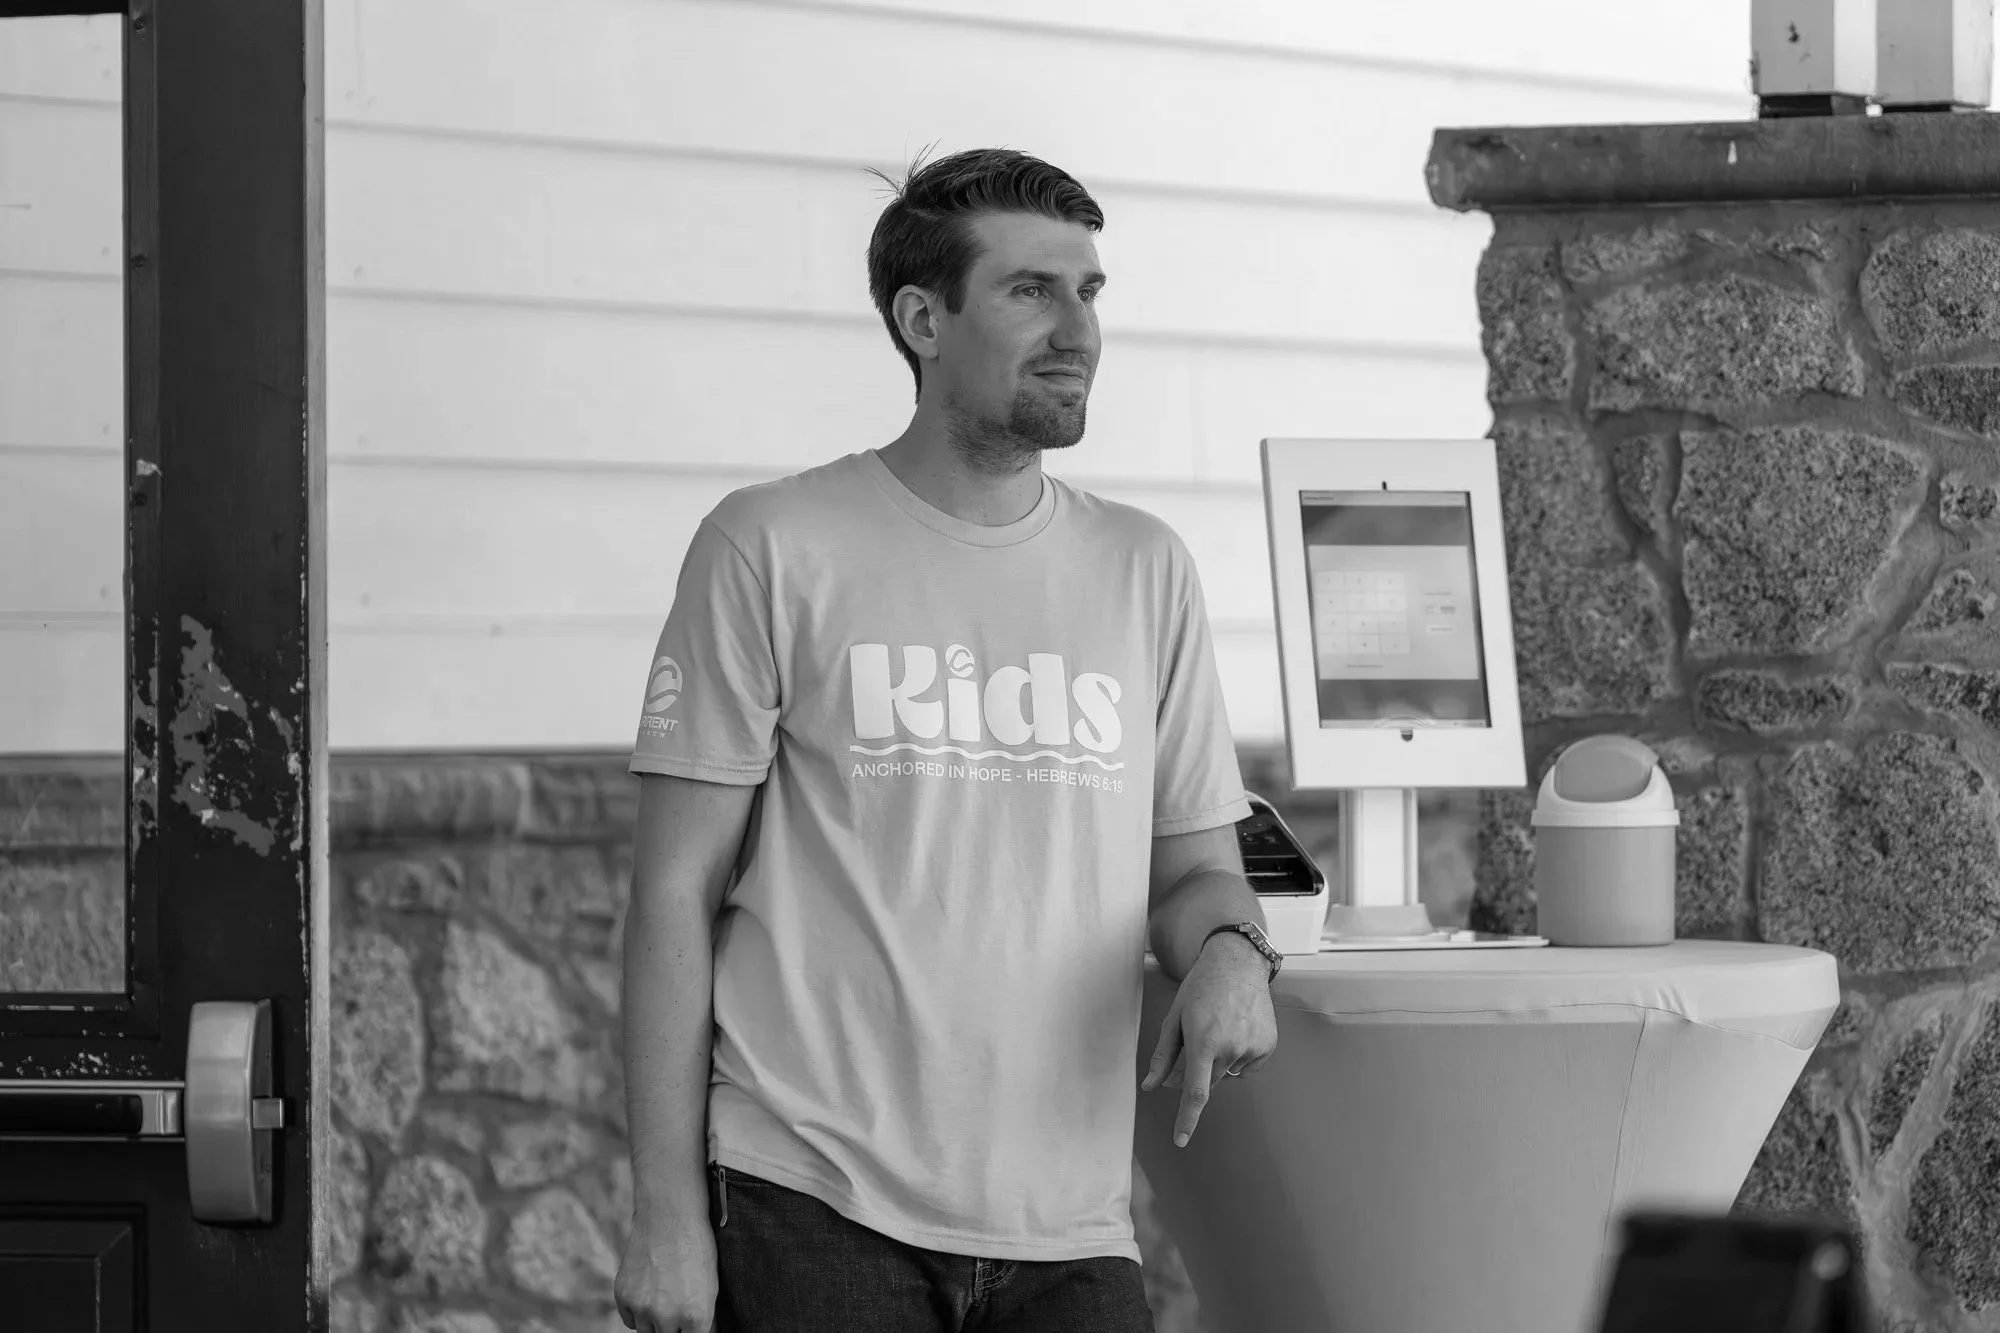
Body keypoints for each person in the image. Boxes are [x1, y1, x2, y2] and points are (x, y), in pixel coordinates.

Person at [614, 146, 1281, 1333]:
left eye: (1088, 291)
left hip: (1070, 1228)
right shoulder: (770, 546)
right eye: (1031, 290)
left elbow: (1191, 873)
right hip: (807, 1202)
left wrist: (1231, 946)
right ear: (923, 320)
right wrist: (665, 1209)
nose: (1076, 328)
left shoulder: (1143, 570)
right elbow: (673, 888)